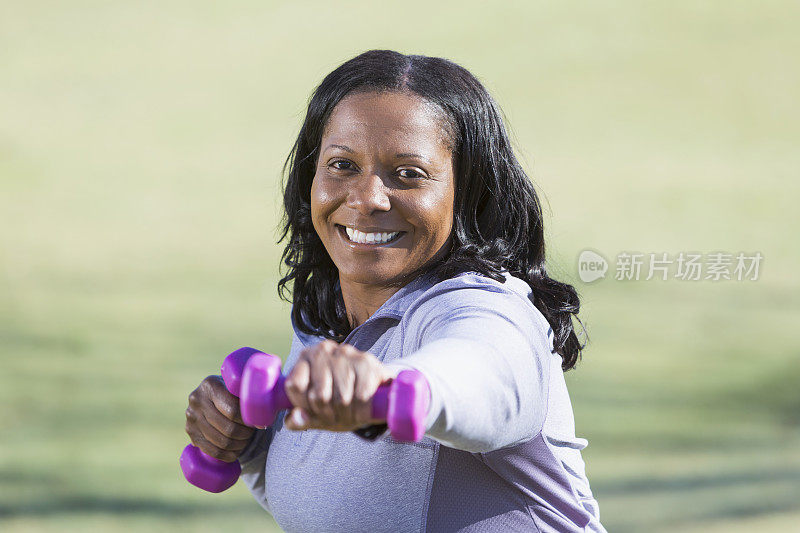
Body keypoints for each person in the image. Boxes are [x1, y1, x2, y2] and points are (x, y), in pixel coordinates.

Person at [184, 49, 606, 533]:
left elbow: (481, 373)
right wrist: (249, 442)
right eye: (342, 165)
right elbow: (338, 509)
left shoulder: (484, 307)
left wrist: (386, 389)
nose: (367, 199)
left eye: (409, 174)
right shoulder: (330, 317)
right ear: (310, 178)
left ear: (468, 192)